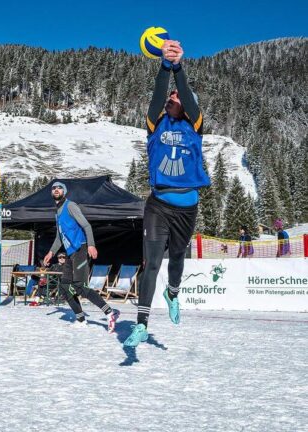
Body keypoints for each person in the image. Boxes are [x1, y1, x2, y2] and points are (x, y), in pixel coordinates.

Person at [124, 39, 211, 347]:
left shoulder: (195, 126)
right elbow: (158, 94)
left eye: (177, 96)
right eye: (170, 96)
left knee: (177, 257)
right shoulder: (155, 124)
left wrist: (179, 68)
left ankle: (173, 292)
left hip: (187, 208)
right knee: (151, 263)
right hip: (158, 205)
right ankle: (142, 324)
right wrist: (165, 66)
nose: (172, 97)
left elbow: (186, 93)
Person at [43, 182, 120, 333]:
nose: (56, 190)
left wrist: (91, 245)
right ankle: (80, 319)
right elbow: (59, 237)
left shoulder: (70, 206)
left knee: (80, 286)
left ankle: (110, 312)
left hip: (81, 249)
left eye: (59, 188)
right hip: (70, 253)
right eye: (53, 188)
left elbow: (87, 226)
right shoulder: (56, 212)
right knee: (65, 286)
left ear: (64, 191)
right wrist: (51, 252)